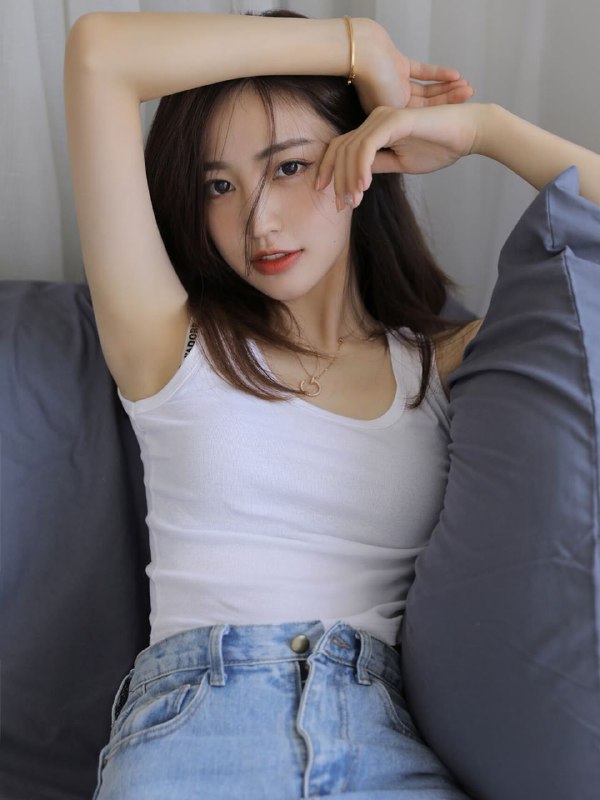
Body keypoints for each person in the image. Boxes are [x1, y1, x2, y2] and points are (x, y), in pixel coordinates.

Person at [63, 8, 600, 800]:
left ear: (366, 159)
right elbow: (98, 55)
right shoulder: (170, 342)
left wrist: (484, 131)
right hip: (199, 732)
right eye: (219, 185)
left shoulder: (441, 364)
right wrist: (357, 45)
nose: (257, 220)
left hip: (386, 741)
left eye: (288, 165)